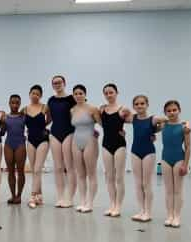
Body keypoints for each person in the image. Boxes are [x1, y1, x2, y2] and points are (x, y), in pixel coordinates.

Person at [124, 95, 167, 222]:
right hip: (135, 151)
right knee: (138, 183)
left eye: (142, 103)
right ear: (133, 106)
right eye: (136, 104)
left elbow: (167, 119)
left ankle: (148, 212)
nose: (139, 106)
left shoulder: (153, 119)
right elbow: (118, 118)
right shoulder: (133, 118)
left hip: (148, 152)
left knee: (146, 183)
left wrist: (156, 130)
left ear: (147, 104)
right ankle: (141, 210)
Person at [47, 75, 77, 208]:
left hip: (69, 133)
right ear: (52, 85)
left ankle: (69, 198)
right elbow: (48, 119)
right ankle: (60, 196)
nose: (57, 84)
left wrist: (88, 129)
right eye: (54, 83)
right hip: (54, 134)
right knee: (58, 167)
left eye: (59, 82)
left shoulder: (71, 99)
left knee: (69, 167)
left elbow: (78, 114)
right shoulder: (51, 100)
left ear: (64, 83)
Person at [70, 85, 101, 213]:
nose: (78, 96)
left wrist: (120, 131)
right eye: (76, 93)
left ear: (85, 94)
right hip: (76, 140)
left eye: (80, 93)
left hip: (90, 140)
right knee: (80, 174)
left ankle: (90, 203)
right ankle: (82, 201)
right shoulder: (72, 110)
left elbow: (103, 124)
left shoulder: (93, 109)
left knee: (91, 173)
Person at [161, 100, 191, 228]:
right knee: (168, 190)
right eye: (169, 111)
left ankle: (177, 216)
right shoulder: (163, 125)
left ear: (179, 110)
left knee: (177, 190)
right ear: (165, 112)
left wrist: (185, 164)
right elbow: (149, 130)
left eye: (174, 110)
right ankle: (169, 215)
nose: (172, 112)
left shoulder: (184, 127)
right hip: (165, 159)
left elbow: (188, 147)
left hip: (179, 158)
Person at [100, 83, 128, 217]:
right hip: (106, 144)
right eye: (106, 93)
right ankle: (112, 204)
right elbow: (94, 121)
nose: (108, 95)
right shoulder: (101, 109)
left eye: (111, 92)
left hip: (119, 144)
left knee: (119, 177)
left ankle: (118, 206)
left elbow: (139, 120)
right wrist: (93, 131)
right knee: (109, 176)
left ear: (116, 93)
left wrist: (152, 133)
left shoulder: (123, 110)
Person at [23, 85, 50, 209]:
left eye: (38, 94)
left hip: (43, 139)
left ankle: (33, 196)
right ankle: (40, 195)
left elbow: (49, 120)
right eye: (33, 93)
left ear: (40, 96)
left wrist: (44, 129)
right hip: (31, 140)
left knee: (38, 169)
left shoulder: (45, 108)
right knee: (34, 169)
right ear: (29, 94)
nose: (35, 95)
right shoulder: (24, 109)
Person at [4, 95, 26, 204]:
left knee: (20, 171)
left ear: (20, 104)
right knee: (10, 171)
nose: (15, 105)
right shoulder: (5, 117)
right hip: (8, 144)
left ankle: (19, 196)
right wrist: (1, 121)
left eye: (17, 103)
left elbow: (34, 125)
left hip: (20, 144)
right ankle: (13, 195)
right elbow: (2, 132)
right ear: (9, 103)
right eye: (12, 102)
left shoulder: (23, 116)